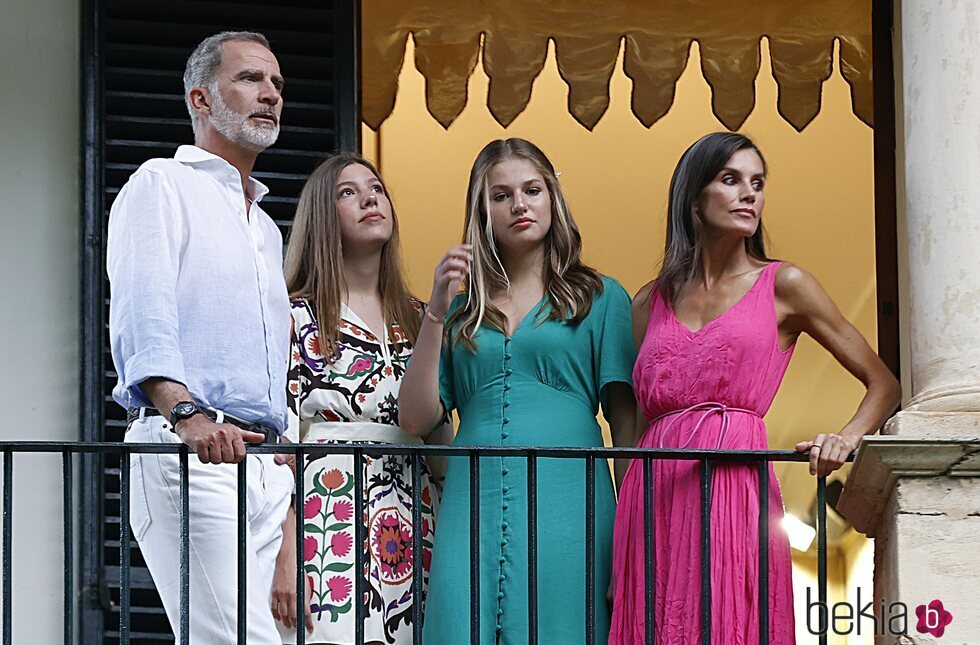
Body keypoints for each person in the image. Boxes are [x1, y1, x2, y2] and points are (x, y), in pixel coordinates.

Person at [608, 132, 902, 644]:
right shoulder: (646, 303)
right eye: (731, 180)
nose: (750, 195)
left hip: (733, 489)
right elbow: (630, 435)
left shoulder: (784, 284)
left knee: (730, 623)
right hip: (649, 501)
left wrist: (846, 438)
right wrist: (618, 547)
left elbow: (884, 383)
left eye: (758, 183)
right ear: (693, 199)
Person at [398, 138, 637, 643]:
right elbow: (416, 419)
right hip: (472, 503)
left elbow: (626, 428)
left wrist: (630, 540)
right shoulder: (461, 312)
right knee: (462, 623)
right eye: (500, 195)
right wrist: (437, 311)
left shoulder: (602, 297)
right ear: (482, 211)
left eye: (532, 190)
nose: (519, 205)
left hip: (573, 503)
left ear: (553, 198)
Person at [107, 31, 294, 643]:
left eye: (277, 84)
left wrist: (285, 468)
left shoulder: (265, 228)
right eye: (250, 79)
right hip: (193, 447)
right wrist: (185, 415)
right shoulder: (161, 183)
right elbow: (144, 310)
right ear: (202, 99)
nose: (270, 94)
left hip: (264, 465)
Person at [269, 153, 449, 643]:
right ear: (323, 218)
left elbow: (443, 442)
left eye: (376, 188)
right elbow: (274, 448)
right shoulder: (293, 316)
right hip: (326, 533)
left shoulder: (422, 317)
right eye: (348, 192)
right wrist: (286, 557)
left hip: (417, 528)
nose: (371, 197)